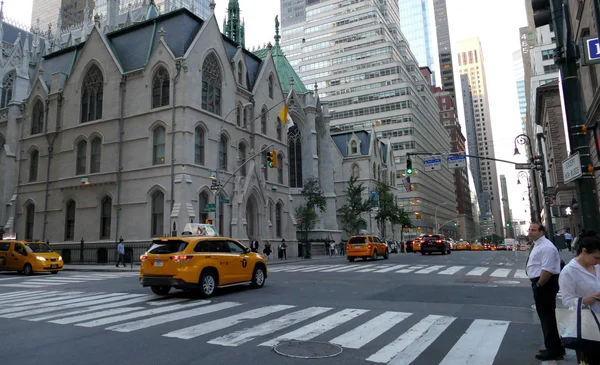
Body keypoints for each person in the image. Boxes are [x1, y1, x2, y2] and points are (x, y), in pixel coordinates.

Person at [558, 231, 600, 365]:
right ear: (584, 251)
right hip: (587, 327)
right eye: (596, 257)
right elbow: (568, 302)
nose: (598, 261)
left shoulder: (598, 266)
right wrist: (594, 297)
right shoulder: (569, 272)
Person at [526, 222, 564, 361]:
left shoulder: (547, 247)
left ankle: (554, 350)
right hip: (542, 283)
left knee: (547, 318)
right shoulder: (539, 245)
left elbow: (547, 270)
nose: (530, 232)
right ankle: (554, 347)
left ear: (542, 232)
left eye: (534, 230)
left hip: (545, 284)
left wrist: (539, 285)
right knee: (545, 317)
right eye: (529, 230)